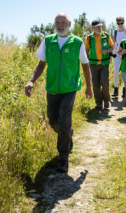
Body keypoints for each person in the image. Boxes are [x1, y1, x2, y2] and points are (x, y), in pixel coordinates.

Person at [25, 13, 93, 173]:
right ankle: (67, 134)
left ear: (69, 23)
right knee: (52, 121)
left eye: (63, 22)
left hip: (70, 88)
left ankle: (63, 158)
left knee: (64, 118)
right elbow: (41, 63)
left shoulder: (77, 43)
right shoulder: (48, 41)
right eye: (57, 22)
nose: (60, 25)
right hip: (53, 88)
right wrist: (31, 81)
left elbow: (85, 65)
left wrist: (89, 87)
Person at [85, 20, 114, 110]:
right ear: (92, 28)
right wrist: (86, 61)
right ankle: (98, 103)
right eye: (97, 26)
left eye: (100, 26)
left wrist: (107, 51)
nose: (99, 28)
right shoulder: (89, 38)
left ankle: (106, 100)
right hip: (93, 64)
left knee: (105, 83)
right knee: (95, 84)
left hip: (105, 63)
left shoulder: (106, 36)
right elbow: (86, 50)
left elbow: (112, 47)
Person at [111, 16, 126, 98]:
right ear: (117, 23)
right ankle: (116, 89)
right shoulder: (115, 32)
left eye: (121, 23)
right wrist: (111, 53)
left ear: (123, 22)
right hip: (117, 53)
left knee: (124, 72)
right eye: (118, 23)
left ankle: (124, 90)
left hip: (125, 53)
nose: (120, 24)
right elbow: (114, 43)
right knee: (116, 71)